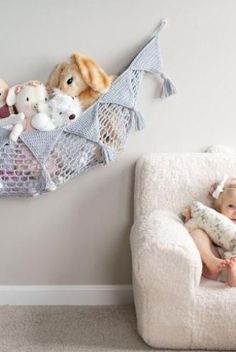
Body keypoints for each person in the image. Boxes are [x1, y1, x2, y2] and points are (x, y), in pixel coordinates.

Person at [183, 176, 236, 287]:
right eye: (231, 206)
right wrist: (190, 215)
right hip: (217, 257)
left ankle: (232, 274)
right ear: (219, 208)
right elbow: (199, 220)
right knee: (197, 233)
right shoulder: (214, 219)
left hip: (232, 260)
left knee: (233, 263)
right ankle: (210, 260)